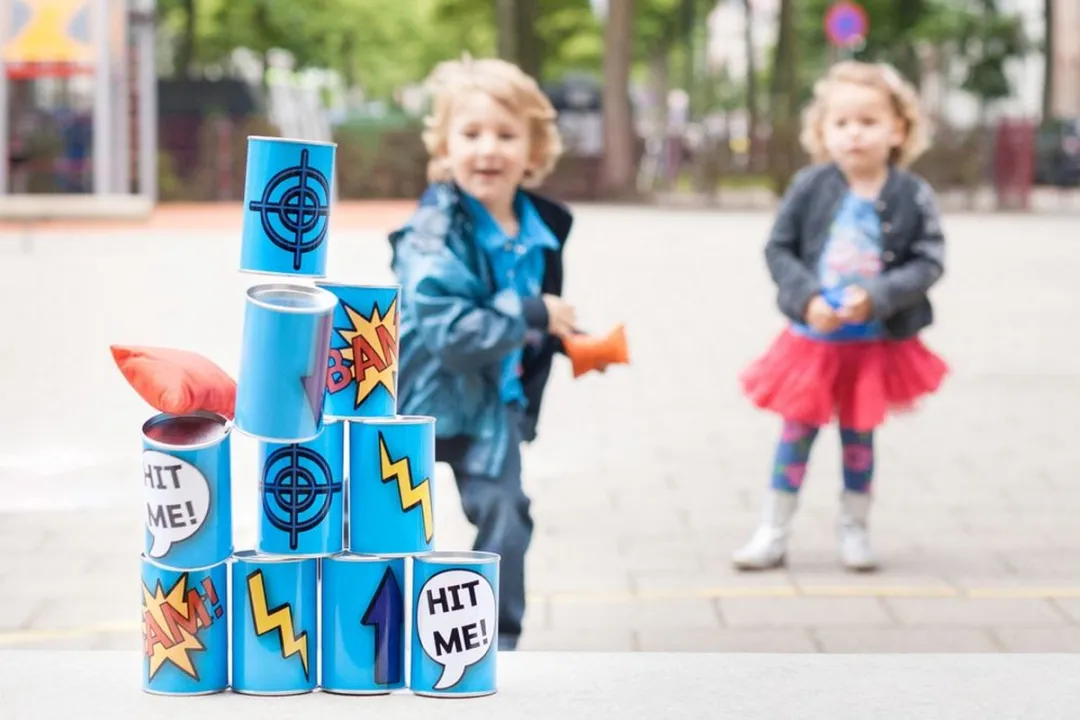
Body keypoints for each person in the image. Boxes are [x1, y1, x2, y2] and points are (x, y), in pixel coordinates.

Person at [387, 55, 577, 650]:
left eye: (506, 135)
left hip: (493, 409)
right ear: (445, 147)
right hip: (418, 404)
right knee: (381, 520)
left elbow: (532, 320)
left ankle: (496, 643)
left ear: (534, 150)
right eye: (470, 134)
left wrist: (560, 339)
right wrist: (532, 314)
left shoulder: (541, 228)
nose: (487, 149)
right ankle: (378, 628)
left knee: (507, 516)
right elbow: (449, 327)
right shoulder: (433, 233)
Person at [733, 61, 949, 572]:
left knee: (859, 438)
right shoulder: (810, 186)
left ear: (898, 129)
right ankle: (773, 529)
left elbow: (929, 260)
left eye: (868, 122)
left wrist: (876, 296)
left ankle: (855, 527)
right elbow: (778, 249)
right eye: (842, 122)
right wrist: (807, 298)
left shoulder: (911, 194)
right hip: (813, 342)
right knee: (796, 434)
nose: (854, 133)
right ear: (822, 131)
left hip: (872, 343)